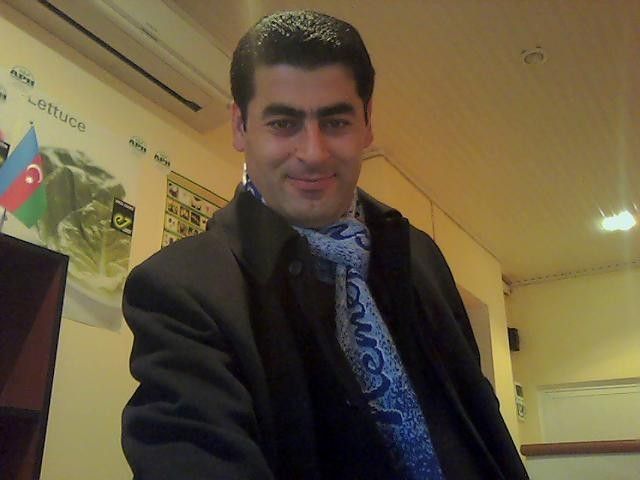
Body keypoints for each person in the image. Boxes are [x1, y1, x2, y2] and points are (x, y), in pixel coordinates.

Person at [122, 10, 529, 480]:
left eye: (335, 122)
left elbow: (479, 417)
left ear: (367, 123)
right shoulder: (181, 289)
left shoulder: (418, 255)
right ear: (239, 126)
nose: (313, 153)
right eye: (283, 123)